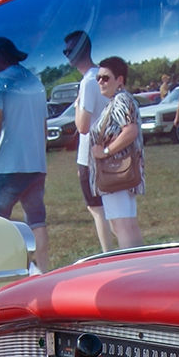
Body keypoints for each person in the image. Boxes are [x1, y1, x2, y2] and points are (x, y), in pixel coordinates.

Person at [0, 36, 50, 269]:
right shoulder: (35, 82)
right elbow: (44, 126)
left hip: (6, 166)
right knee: (37, 222)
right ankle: (45, 269)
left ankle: (2, 272)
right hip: (35, 164)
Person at [88, 56, 145, 248]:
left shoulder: (121, 100)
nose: (100, 82)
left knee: (122, 226)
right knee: (125, 225)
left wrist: (105, 151)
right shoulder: (118, 100)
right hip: (118, 173)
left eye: (106, 78)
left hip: (117, 173)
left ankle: (133, 268)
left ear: (119, 79)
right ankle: (138, 264)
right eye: (98, 78)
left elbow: (130, 131)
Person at [64, 30, 112, 252]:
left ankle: (109, 253)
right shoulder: (103, 76)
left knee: (97, 209)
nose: (66, 55)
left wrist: (76, 107)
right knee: (108, 207)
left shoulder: (88, 82)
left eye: (68, 50)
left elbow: (82, 126)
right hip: (105, 149)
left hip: (90, 154)